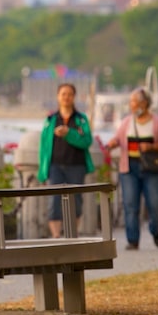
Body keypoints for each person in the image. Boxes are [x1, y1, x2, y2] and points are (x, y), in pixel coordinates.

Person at [105, 88, 158, 250]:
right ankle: (133, 240)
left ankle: (154, 229)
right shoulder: (127, 121)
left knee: (156, 203)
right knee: (130, 204)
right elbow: (117, 137)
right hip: (129, 167)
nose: (132, 105)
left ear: (144, 103)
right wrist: (112, 144)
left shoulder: (157, 122)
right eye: (131, 102)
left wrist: (153, 146)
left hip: (151, 168)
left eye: (134, 102)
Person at [37, 83, 95, 238]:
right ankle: (56, 235)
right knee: (54, 200)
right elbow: (43, 146)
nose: (66, 97)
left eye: (69, 94)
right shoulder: (50, 119)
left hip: (76, 165)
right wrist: (42, 171)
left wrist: (69, 133)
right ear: (58, 96)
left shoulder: (81, 119)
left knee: (76, 199)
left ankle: (72, 234)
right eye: (63, 94)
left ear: (74, 97)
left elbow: (87, 141)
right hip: (55, 165)